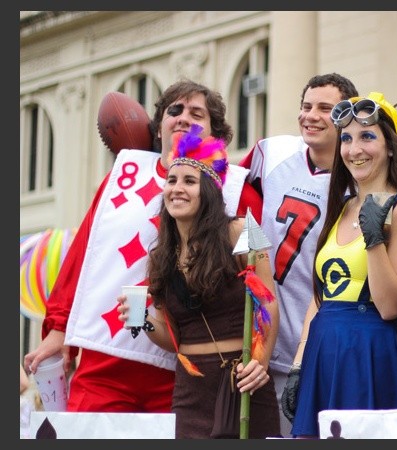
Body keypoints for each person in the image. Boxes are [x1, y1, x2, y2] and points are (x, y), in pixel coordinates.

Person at [23, 79, 262, 413]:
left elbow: (262, 283)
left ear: (214, 134)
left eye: (197, 113)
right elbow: (83, 258)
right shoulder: (122, 174)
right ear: (159, 129)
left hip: (187, 368)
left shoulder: (238, 189)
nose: (183, 117)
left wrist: (261, 354)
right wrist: (58, 330)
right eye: (174, 110)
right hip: (103, 362)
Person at [116, 125, 280, 438]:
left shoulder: (245, 228)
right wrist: (142, 322)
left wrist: (260, 362)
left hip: (244, 379)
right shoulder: (159, 257)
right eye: (171, 180)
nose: (177, 188)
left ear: (207, 191)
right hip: (191, 392)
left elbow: (269, 302)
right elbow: (173, 336)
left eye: (189, 181)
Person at [288, 92, 397, 437]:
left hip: (369, 351)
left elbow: (390, 305)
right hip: (323, 349)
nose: (354, 149)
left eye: (367, 136)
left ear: (390, 146)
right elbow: (319, 298)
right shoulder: (341, 206)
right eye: (346, 139)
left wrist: (374, 237)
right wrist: (298, 364)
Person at [240, 73, 358, 435]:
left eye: (325, 108)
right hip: (264, 340)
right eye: (306, 106)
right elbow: (230, 200)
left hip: (318, 345)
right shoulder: (271, 152)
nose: (312, 116)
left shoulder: (358, 179)